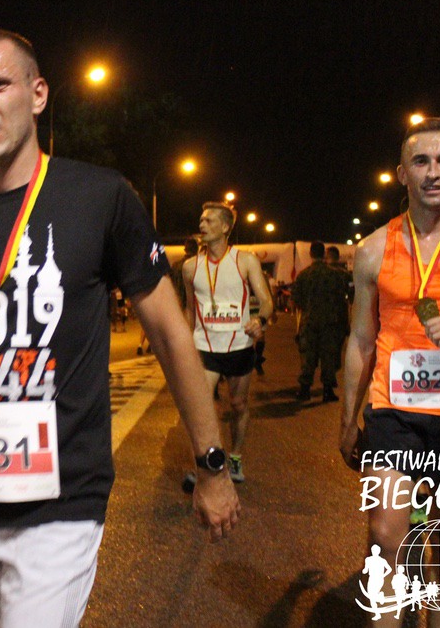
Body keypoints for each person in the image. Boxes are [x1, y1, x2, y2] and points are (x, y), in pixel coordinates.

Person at [0, 28, 239, 627]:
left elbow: (168, 335)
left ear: (37, 95)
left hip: (61, 501)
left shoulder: (101, 197)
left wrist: (211, 463)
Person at [341, 117, 440, 628]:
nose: (433, 172)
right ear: (402, 173)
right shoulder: (373, 248)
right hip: (394, 411)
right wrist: (348, 420)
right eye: (421, 161)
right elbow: (360, 339)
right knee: (385, 535)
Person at [183, 201, 273, 483]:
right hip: (205, 346)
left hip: (239, 346)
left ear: (225, 227)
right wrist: (185, 343)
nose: (201, 225)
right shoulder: (190, 267)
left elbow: (266, 301)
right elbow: (190, 309)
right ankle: (205, 463)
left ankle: (235, 458)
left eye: (208, 221)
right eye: (201, 220)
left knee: (238, 404)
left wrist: (260, 320)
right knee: (200, 407)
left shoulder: (245, 261)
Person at [291, 241, 350, 402]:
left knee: (308, 357)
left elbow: (296, 301)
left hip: (309, 322)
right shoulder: (337, 275)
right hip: (331, 322)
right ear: (324, 254)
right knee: (328, 357)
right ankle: (327, 391)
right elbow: (345, 298)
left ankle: (305, 390)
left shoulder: (303, 275)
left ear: (311, 254)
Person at [140, 236, 198, 355]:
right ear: (196, 250)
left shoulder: (176, 265)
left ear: (185, 249)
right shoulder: (198, 264)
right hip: (193, 302)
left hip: (178, 301)